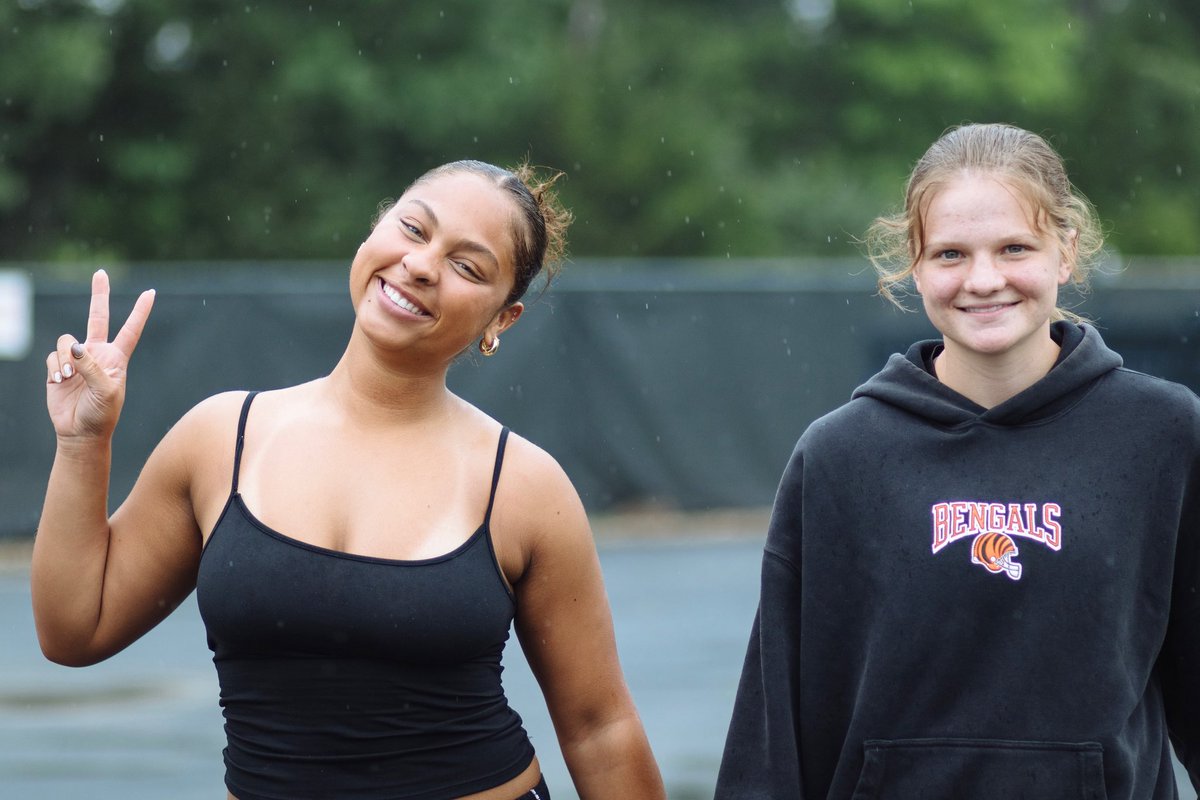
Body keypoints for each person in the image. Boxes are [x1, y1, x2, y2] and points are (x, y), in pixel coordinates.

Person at [32, 159, 667, 800]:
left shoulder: (526, 487)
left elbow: (599, 729)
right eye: (414, 229)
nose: (421, 265)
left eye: (467, 266)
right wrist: (83, 441)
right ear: (376, 229)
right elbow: (75, 629)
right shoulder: (221, 437)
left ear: (502, 320)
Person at [714, 123, 1200, 799]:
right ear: (912, 264)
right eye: (950, 254)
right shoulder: (839, 456)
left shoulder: (1164, 435)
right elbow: (777, 730)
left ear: (1066, 251)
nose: (983, 279)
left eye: (1014, 248)